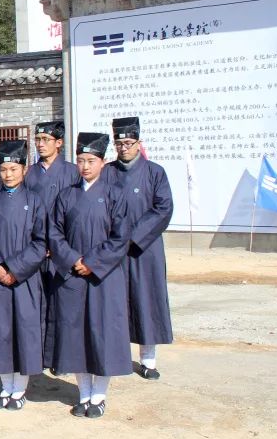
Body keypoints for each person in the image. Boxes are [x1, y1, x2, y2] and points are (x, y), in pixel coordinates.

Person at [48, 132, 132, 419]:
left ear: (103, 162)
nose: (85, 166)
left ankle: (99, 396)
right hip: (72, 276)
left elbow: (121, 238)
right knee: (76, 335)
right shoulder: (66, 195)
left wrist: (93, 262)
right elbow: (54, 233)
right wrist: (73, 259)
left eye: (91, 161)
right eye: (81, 160)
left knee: (102, 334)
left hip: (103, 277)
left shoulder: (114, 194)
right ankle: (83, 393)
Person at [0, 140, 47, 410]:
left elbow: (40, 243)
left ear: (24, 170)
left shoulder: (35, 201)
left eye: (14, 169)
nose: (8, 174)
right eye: (4, 170)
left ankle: (20, 390)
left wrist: (15, 269)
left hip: (24, 279)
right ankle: (6, 387)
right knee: (0, 332)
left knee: (23, 332)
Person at [108, 116, 174, 380]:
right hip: (114, 249)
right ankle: (117, 354)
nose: (124, 147)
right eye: (119, 143)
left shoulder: (155, 172)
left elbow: (163, 208)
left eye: (128, 142)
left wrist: (133, 237)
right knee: (116, 301)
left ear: (139, 143)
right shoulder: (108, 172)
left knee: (147, 300)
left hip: (145, 248)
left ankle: (148, 359)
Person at [24, 120, 80, 370]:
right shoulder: (30, 173)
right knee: (38, 303)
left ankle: (61, 356)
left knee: (62, 304)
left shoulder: (71, 171)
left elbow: (75, 210)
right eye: (38, 139)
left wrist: (59, 244)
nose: (41, 144)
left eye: (46, 139)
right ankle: (39, 356)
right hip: (37, 247)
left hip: (63, 247)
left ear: (59, 143)